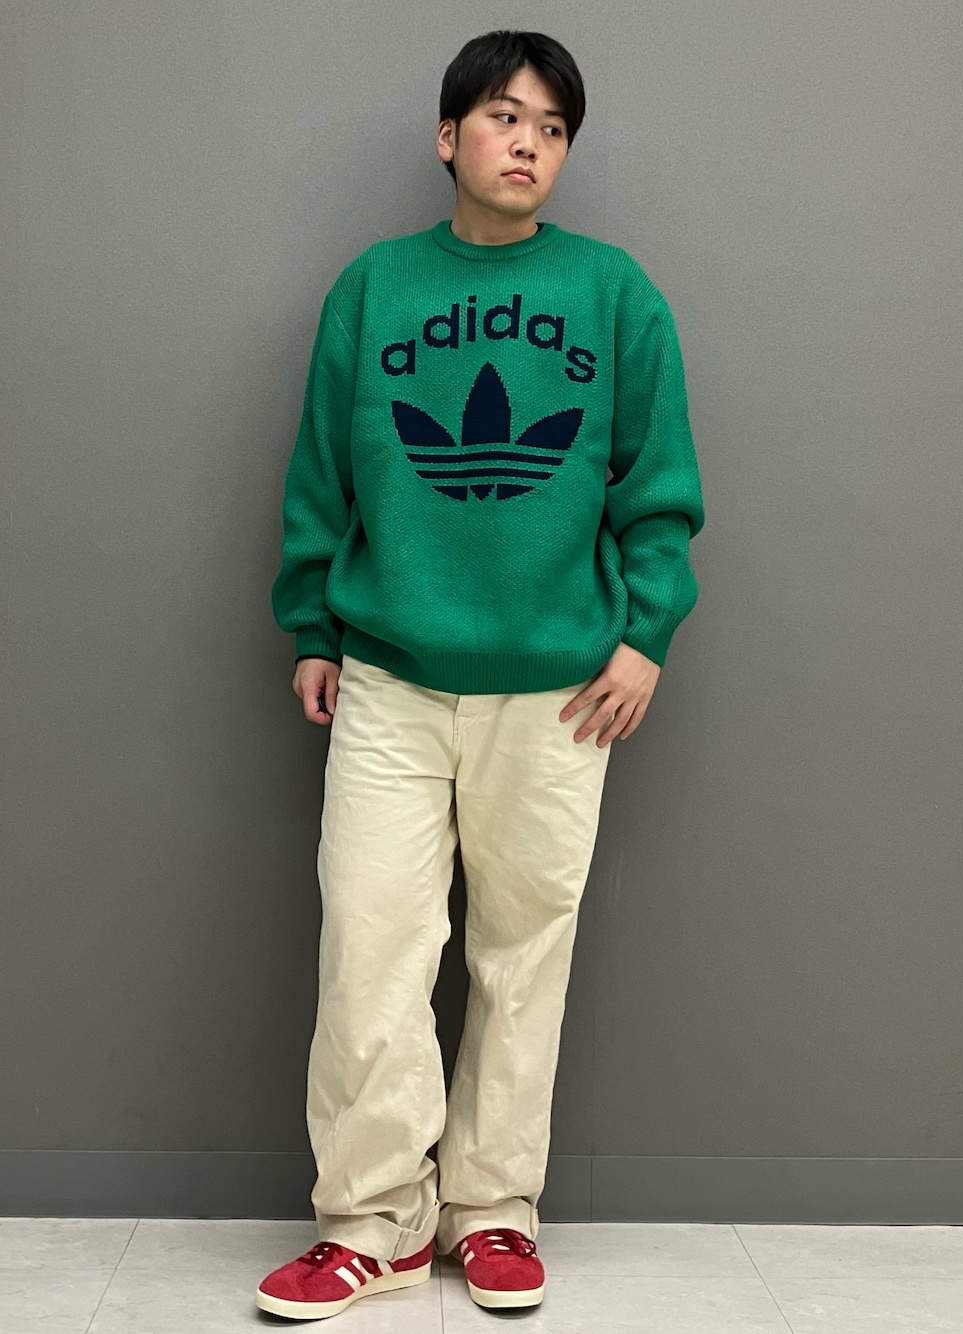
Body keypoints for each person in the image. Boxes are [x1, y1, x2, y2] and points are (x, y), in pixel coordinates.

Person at [256, 27, 705, 1321]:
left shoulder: (614, 294)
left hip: (561, 690)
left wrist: (645, 634)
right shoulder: (373, 287)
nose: (530, 143)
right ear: (449, 136)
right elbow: (321, 473)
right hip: (390, 676)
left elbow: (658, 484)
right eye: (506, 116)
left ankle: (494, 1209)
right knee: (372, 945)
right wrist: (313, 624)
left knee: (523, 955)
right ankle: (370, 1223)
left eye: (553, 128)